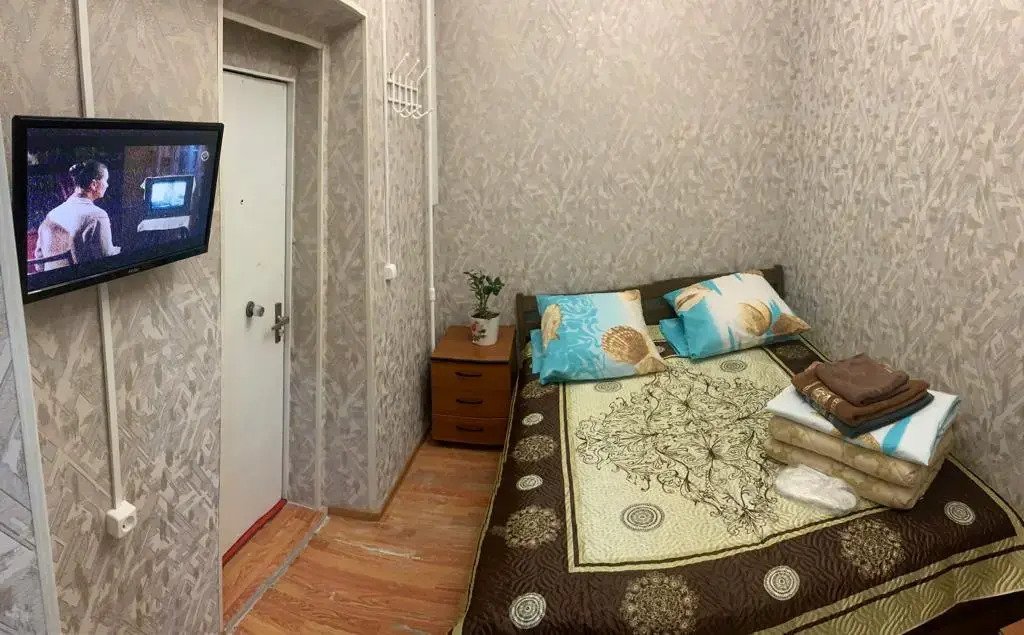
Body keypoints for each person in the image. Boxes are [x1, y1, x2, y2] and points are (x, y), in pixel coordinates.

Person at [34, 159, 121, 271]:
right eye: (105, 180)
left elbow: (39, 265)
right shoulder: (97, 216)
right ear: (94, 184)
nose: (107, 185)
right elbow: (107, 260)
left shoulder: (52, 214)